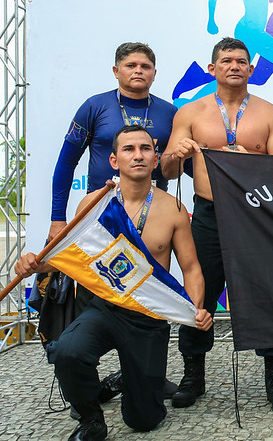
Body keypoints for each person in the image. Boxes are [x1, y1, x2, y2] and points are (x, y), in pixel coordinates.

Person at [15, 126, 212, 441]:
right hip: (104, 307)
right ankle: (91, 420)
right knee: (67, 350)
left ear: (156, 158)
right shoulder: (94, 204)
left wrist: (195, 310)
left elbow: (191, 267)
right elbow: (68, 256)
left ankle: (124, 382)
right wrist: (34, 264)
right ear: (114, 160)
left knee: (143, 420)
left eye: (145, 149)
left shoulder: (172, 208)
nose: (138, 155)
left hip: (148, 315)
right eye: (129, 149)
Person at [161, 38, 273, 413]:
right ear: (212, 68)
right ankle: (193, 375)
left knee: (265, 294)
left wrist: (251, 164)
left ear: (251, 70)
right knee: (199, 293)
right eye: (226, 61)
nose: (234, 66)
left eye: (241, 61)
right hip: (208, 214)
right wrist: (177, 153)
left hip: (255, 217)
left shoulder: (270, 114)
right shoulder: (189, 113)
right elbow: (168, 170)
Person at [49, 42, 178, 403]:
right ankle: (86, 392)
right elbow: (65, 165)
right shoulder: (94, 106)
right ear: (116, 71)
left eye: (146, 65)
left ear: (154, 72)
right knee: (98, 301)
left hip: (151, 212)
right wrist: (59, 219)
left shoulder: (169, 112)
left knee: (150, 297)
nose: (138, 70)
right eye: (130, 65)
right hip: (100, 219)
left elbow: (172, 166)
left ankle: (147, 377)